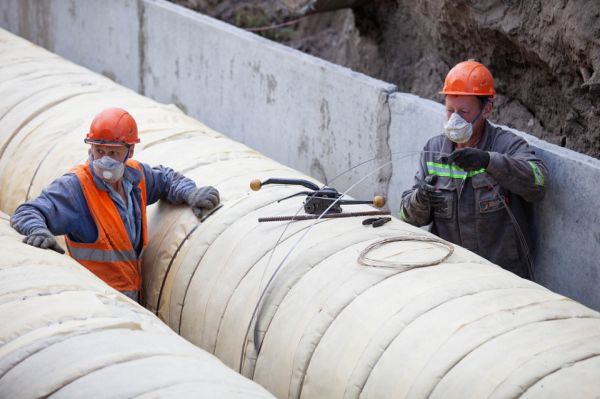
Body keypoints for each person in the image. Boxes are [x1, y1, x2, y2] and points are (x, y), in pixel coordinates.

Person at [10, 107, 220, 302]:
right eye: (99, 151)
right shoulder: (76, 188)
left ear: (130, 152)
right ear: (91, 149)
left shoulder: (136, 177)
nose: (105, 160)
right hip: (94, 303)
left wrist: (190, 193)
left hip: (131, 302)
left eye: (113, 153)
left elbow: (166, 179)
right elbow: (27, 211)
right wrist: (38, 231)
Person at [400, 60, 548, 279]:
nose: (455, 119)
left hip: (502, 278)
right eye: (450, 110)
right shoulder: (434, 150)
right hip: (451, 275)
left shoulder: (505, 145)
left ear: (486, 110)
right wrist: (420, 199)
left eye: (464, 112)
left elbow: (538, 182)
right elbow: (406, 217)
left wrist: (489, 161)